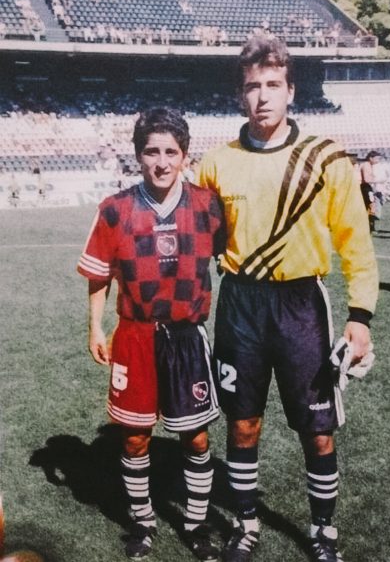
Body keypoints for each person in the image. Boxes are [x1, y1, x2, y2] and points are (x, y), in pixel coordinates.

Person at [196, 37, 378, 562]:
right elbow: (196, 241)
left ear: (291, 91)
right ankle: (246, 524)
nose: (263, 96)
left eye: (273, 85)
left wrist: (360, 316)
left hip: (302, 307)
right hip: (240, 304)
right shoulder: (215, 164)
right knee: (242, 422)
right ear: (240, 95)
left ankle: (323, 532)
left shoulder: (327, 159)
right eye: (252, 86)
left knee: (317, 429)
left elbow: (356, 242)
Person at [77, 108, 225, 561]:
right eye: (151, 152)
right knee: (135, 437)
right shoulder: (115, 209)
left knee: (195, 438)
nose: (161, 162)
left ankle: (196, 524)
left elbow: (231, 259)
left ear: (185, 156)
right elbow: (99, 275)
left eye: (170, 152)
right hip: (135, 336)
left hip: (186, 337)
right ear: (138, 155)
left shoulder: (207, 206)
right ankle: (142, 522)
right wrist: (96, 325)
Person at [360, 150, 386, 233]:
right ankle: (370, 227)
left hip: (366, 188)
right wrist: (379, 181)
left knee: (370, 206)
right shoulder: (366, 165)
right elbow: (367, 180)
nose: (378, 161)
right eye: (377, 158)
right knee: (371, 206)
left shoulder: (368, 165)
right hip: (365, 188)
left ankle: (369, 226)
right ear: (370, 158)